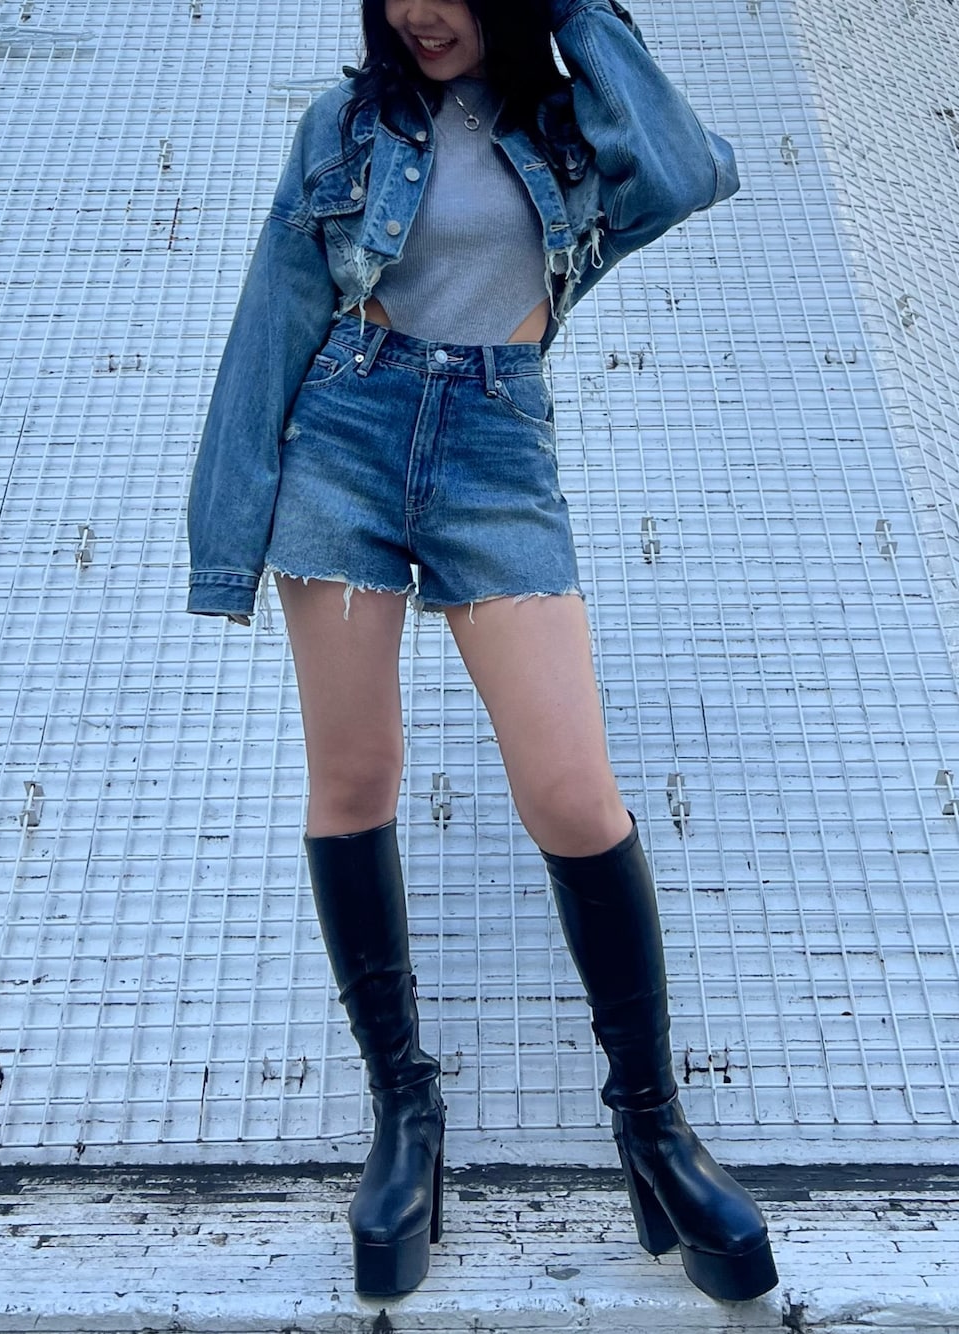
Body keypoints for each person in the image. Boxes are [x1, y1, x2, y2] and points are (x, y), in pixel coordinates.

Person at [187, 0, 779, 1305]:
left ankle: (655, 1129)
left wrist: (575, 13)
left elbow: (686, 172)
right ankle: (405, 1112)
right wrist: (225, 546)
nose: (421, 9)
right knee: (355, 778)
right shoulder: (342, 127)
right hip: (343, 437)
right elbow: (270, 324)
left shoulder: (575, 133)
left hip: (497, 451)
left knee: (572, 794)